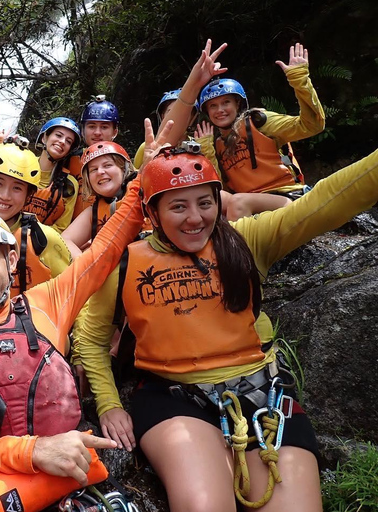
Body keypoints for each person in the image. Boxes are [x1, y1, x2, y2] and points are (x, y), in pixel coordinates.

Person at [78, 142, 378, 511]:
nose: (195, 218)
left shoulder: (246, 239)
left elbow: (327, 202)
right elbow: (91, 339)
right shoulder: (125, 262)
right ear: (151, 213)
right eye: (178, 206)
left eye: (205, 203)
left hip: (263, 391)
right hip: (173, 396)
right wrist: (109, 404)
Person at [0, 119, 171, 492]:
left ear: (12, 261)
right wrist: (35, 451)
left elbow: (105, 251)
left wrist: (142, 179)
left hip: (68, 478)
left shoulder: (47, 302)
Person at [165, 42, 326, 220]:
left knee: (238, 202)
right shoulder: (215, 143)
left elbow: (312, 125)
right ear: (207, 113)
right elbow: (219, 190)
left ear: (238, 104)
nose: (220, 110)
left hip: (287, 197)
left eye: (226, 102)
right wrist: (208, 151)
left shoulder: (259, 123)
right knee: (207, 202)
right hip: (250, 207)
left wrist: (299, 80)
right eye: (213, 106)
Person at [0, 139, 73, 294]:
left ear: (28, 196)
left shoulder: (44, 239)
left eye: (17, 188)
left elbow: (73, 289)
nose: (5, 196)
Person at [0, 115, 81, 233]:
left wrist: (29, 237)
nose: (62, 142)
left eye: (68, 141)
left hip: (34, 245)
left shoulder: (69, 184)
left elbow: (61, 228)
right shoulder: (18, 164)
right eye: (58, 135)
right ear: (44, 138)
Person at [62, 142, 137, 249]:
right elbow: (64, 241)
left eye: (107, 165)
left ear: (123, 169)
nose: (100, 172)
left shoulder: (142, 194)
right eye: (93, 169)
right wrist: (87, 262)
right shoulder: (93, 212)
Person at [69, 95, 121, 220]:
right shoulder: (68, 161)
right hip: (71, 233)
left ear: (115, 132)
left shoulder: (122, 164)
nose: (97, 132)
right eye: (91, 126)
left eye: (104, 127)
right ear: (83, 131)